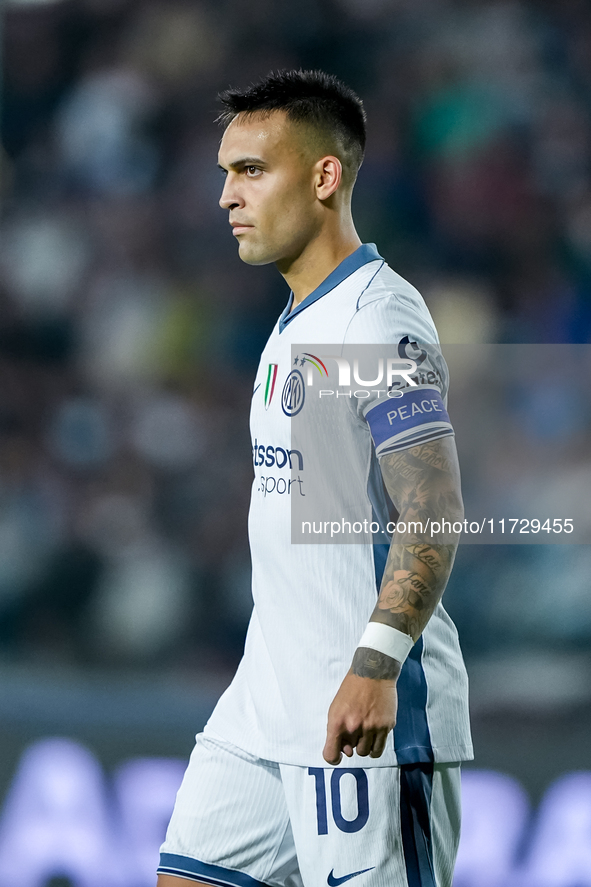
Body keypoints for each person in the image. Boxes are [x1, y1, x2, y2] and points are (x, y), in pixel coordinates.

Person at [157, 69, 472, 887]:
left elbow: (432, 508)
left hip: (360, 713)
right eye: (225, 172)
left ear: (324, 177)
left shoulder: (376, 318)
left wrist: (375, 666)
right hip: (263, 705)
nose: (226, 195)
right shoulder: (298, 315)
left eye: (251, 170)